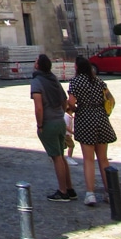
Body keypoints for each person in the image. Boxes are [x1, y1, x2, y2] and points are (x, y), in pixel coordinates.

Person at [67, 55, 117, 206]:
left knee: (88, 159)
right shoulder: (99, 81)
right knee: (103, 158)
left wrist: (75, 109)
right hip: (101, 117)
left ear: (76, 67)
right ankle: (110, 192)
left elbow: (71, 103)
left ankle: (90, 193)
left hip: (85, 118)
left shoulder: (75, 82)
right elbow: (110, 99)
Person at [30, 53, 76, 201]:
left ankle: (62, 191)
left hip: (48, 123)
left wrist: (40, 124)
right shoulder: (54, 79)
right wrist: (61, 113)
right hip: (60, 122)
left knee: (56, 158)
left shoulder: (37, 82)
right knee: (61, 156)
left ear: (38, 65)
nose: (34, 63)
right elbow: (64, 101)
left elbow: (38, 108)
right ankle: (70, 189)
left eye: (36, 61)